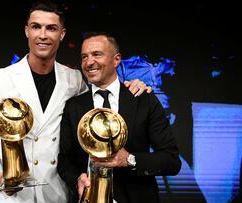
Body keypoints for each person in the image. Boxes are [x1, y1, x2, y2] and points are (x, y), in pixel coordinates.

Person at [0, 1, 150, 203]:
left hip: (58, 192)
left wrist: (132, 85)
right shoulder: (0, 78)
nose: (43, 35)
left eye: (51, 28)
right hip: (13, 195)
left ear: (62, 34)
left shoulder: (74, 79)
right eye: (36, 27)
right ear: (26, 31)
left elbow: (102, 96)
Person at [57, 32, 182, 203]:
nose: (89, 62)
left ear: (116, 59)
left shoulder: (143, 99)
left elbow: (171, 160)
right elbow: (64, 160)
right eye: (84, 57)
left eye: (97, 54)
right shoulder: (74, 106)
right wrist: (77, 180)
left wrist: (129, 160)